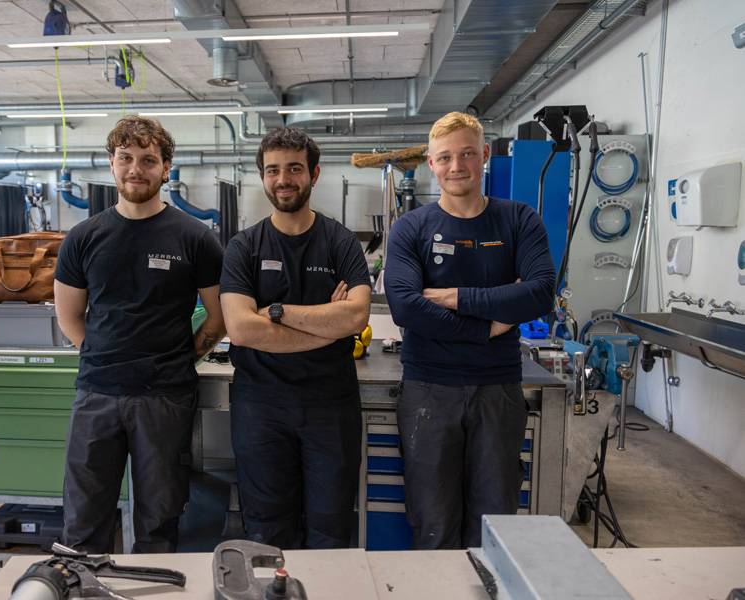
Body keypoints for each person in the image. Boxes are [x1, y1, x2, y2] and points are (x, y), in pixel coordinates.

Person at [54, 116, 225, 553]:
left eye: (148, 160)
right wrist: (98, 355)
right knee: (85, 519)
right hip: (97, 394)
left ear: (166, 168)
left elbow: (220, 317)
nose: (136, 169)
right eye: (126, 158)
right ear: (111, 165)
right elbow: (69, 315)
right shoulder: (83, 237)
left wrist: (181, 359)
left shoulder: (195, 237)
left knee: (158, 521)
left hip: (164, 397)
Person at [385, 111, 555, 549]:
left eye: (465, 154)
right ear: (430, 162)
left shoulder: (519, 220)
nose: (456, 166)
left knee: (494, 522)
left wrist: (455, 296)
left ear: (484, 155)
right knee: (433, 521)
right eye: (444, 158)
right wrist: (489, 324)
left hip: (497, 388)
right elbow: (405, 306)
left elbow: (539, 294)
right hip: (428, 387)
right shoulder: (411, 228)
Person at [219, 127, 371, 549]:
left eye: (294, 168)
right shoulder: (243, 247)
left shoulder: (340, 241)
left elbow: (356, 314)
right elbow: (241, 329)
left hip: (330, 406)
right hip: (260, 407)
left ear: (314, 174)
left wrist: (279, 313)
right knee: (267, 528)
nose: (283, 179)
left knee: (330, 524)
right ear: (262, 177)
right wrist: (328, 324)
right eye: (273, 170)